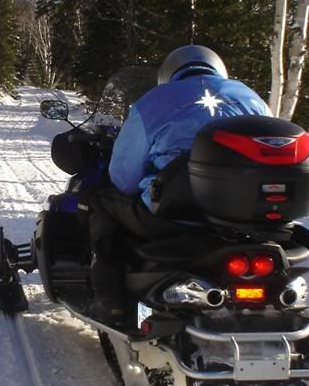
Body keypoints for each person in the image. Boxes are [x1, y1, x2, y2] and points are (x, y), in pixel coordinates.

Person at [88, 45, 272, 323]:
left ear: (169, 74)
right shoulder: (251, 98)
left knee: (103, 202)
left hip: (174, 215)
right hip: (244, 217)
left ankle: (110, 300)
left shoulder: (155, 101)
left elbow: (123, 176)